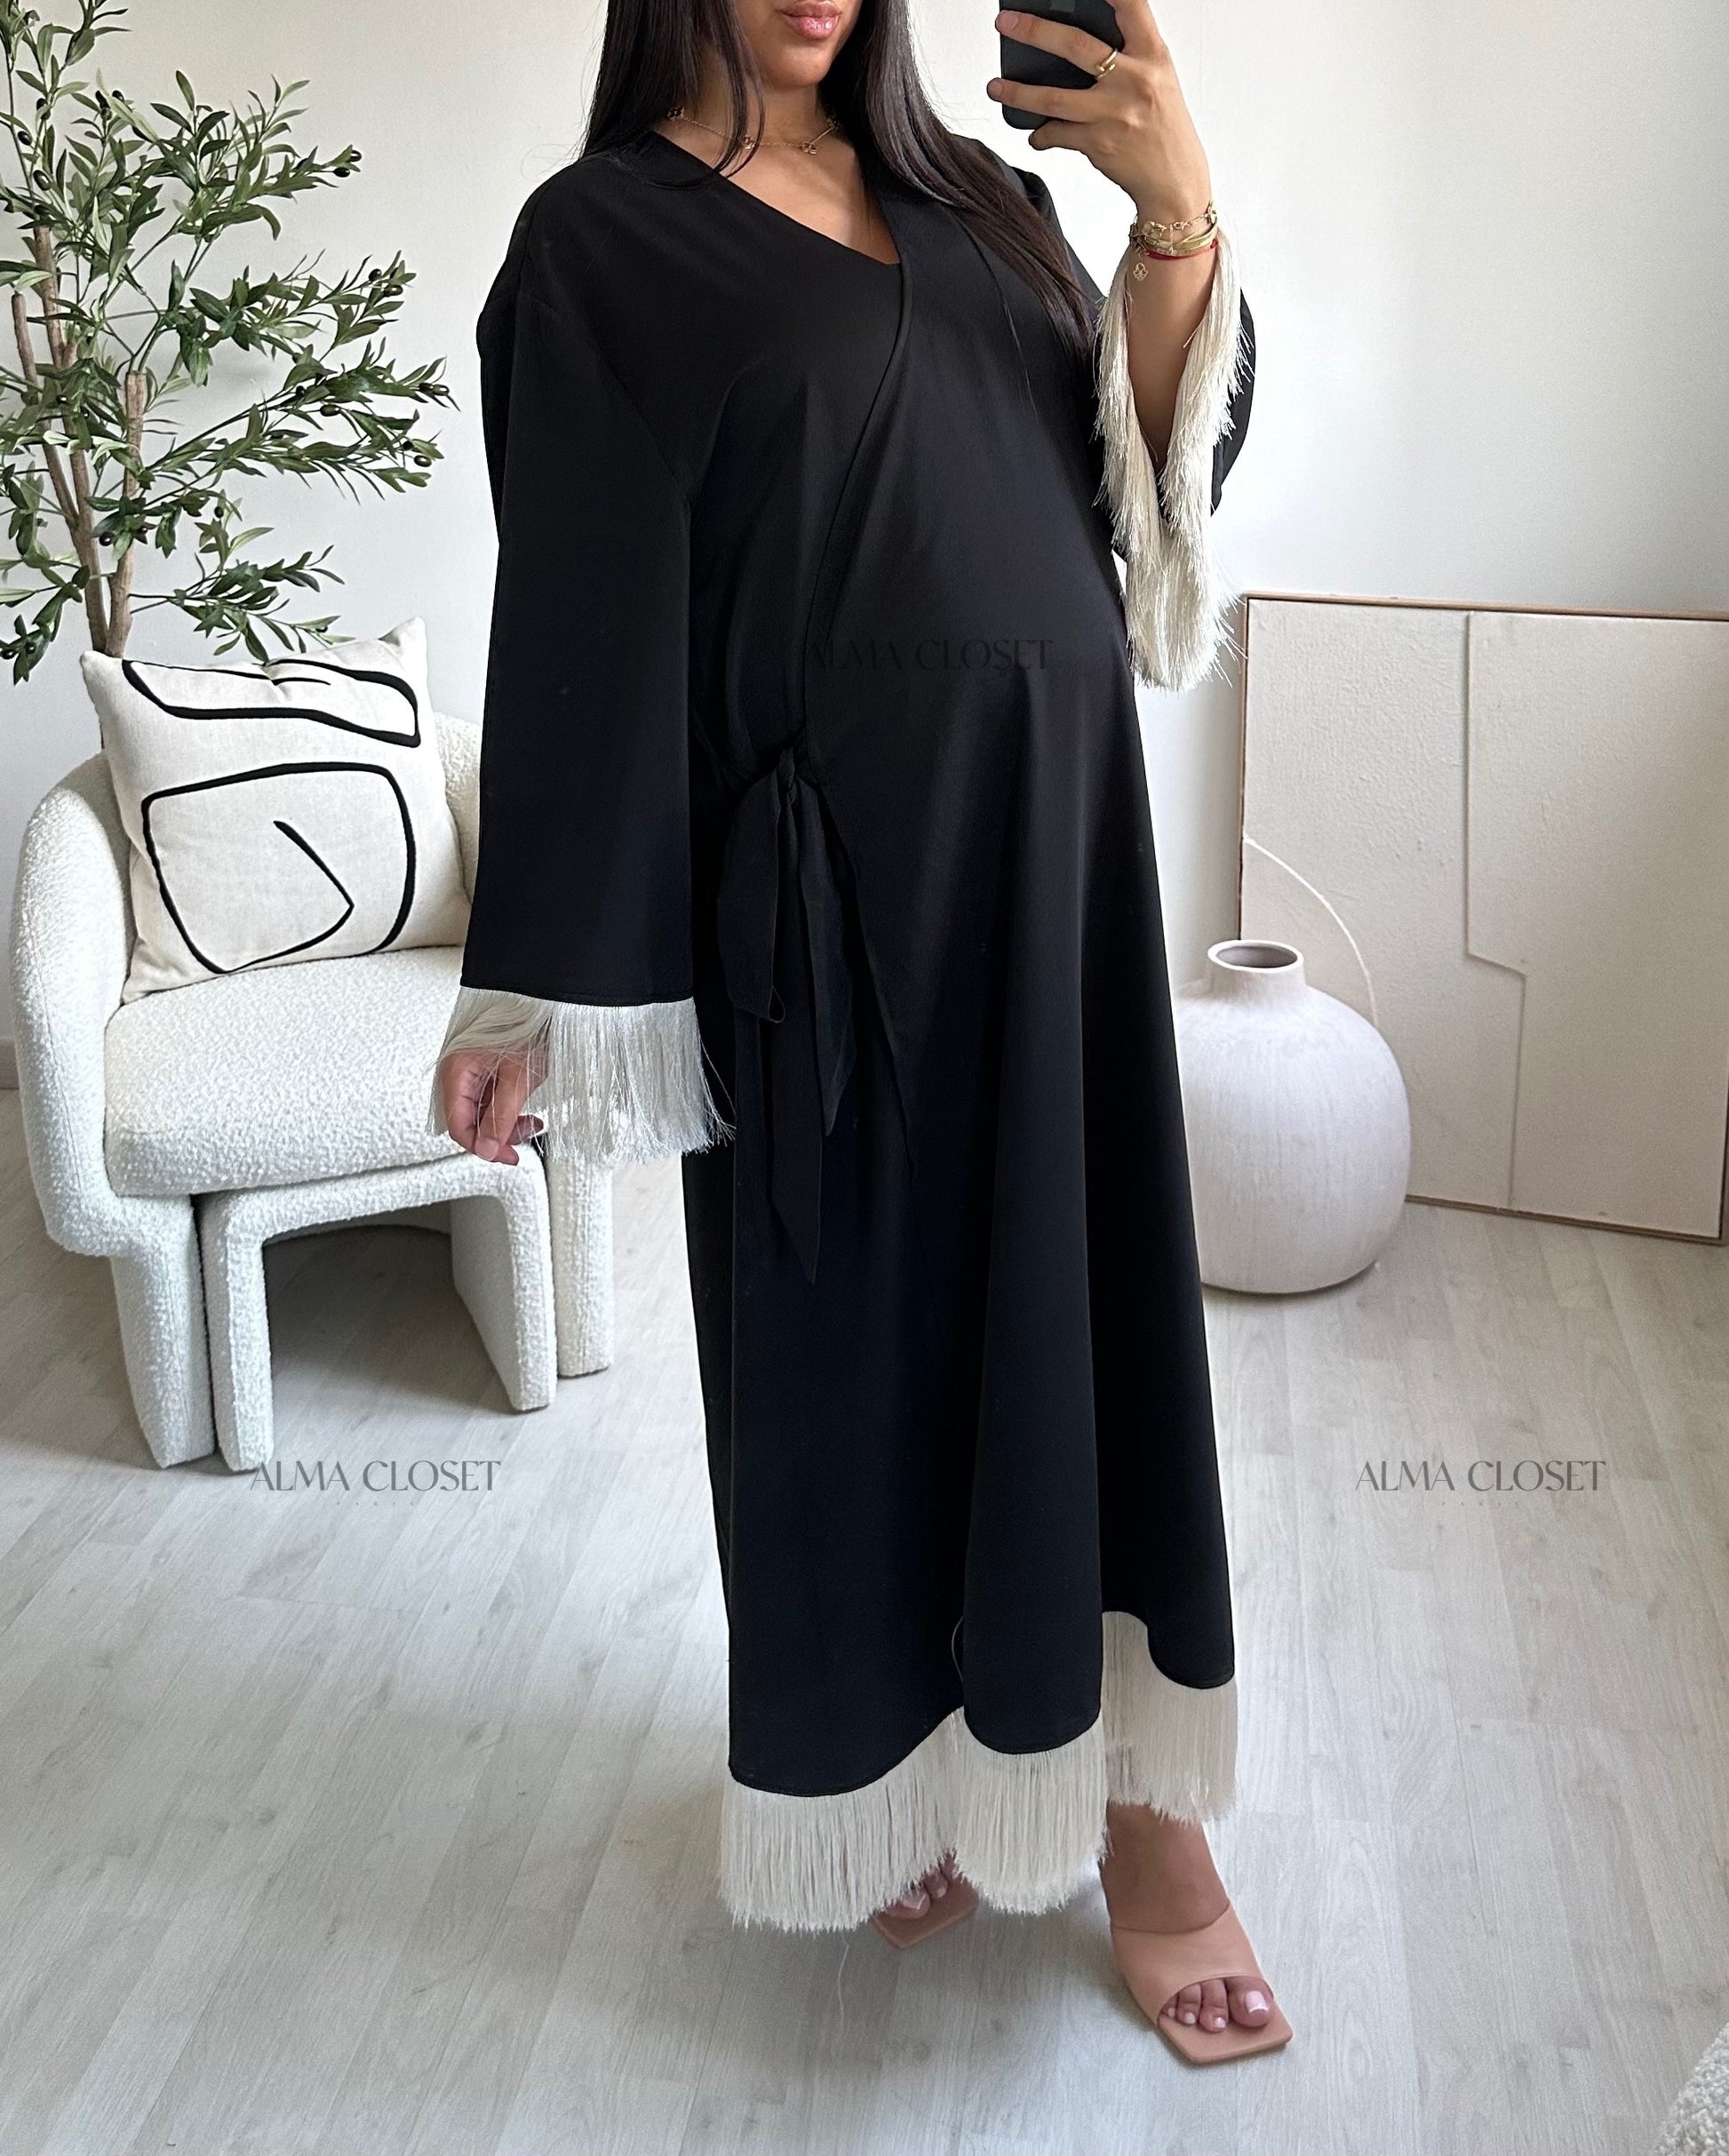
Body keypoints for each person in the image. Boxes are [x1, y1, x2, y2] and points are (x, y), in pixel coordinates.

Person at [434, 0, 1287, 2065]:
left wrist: (1176, 222)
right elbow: (579, 611)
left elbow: (1135, 492)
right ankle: (903, 1763)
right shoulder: (603, 239)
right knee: (856, 1361)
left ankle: (1147, 1826)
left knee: (1087, 1323)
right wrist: (536, 980)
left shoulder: (981, 197)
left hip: (1056, 869)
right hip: (821, 919)